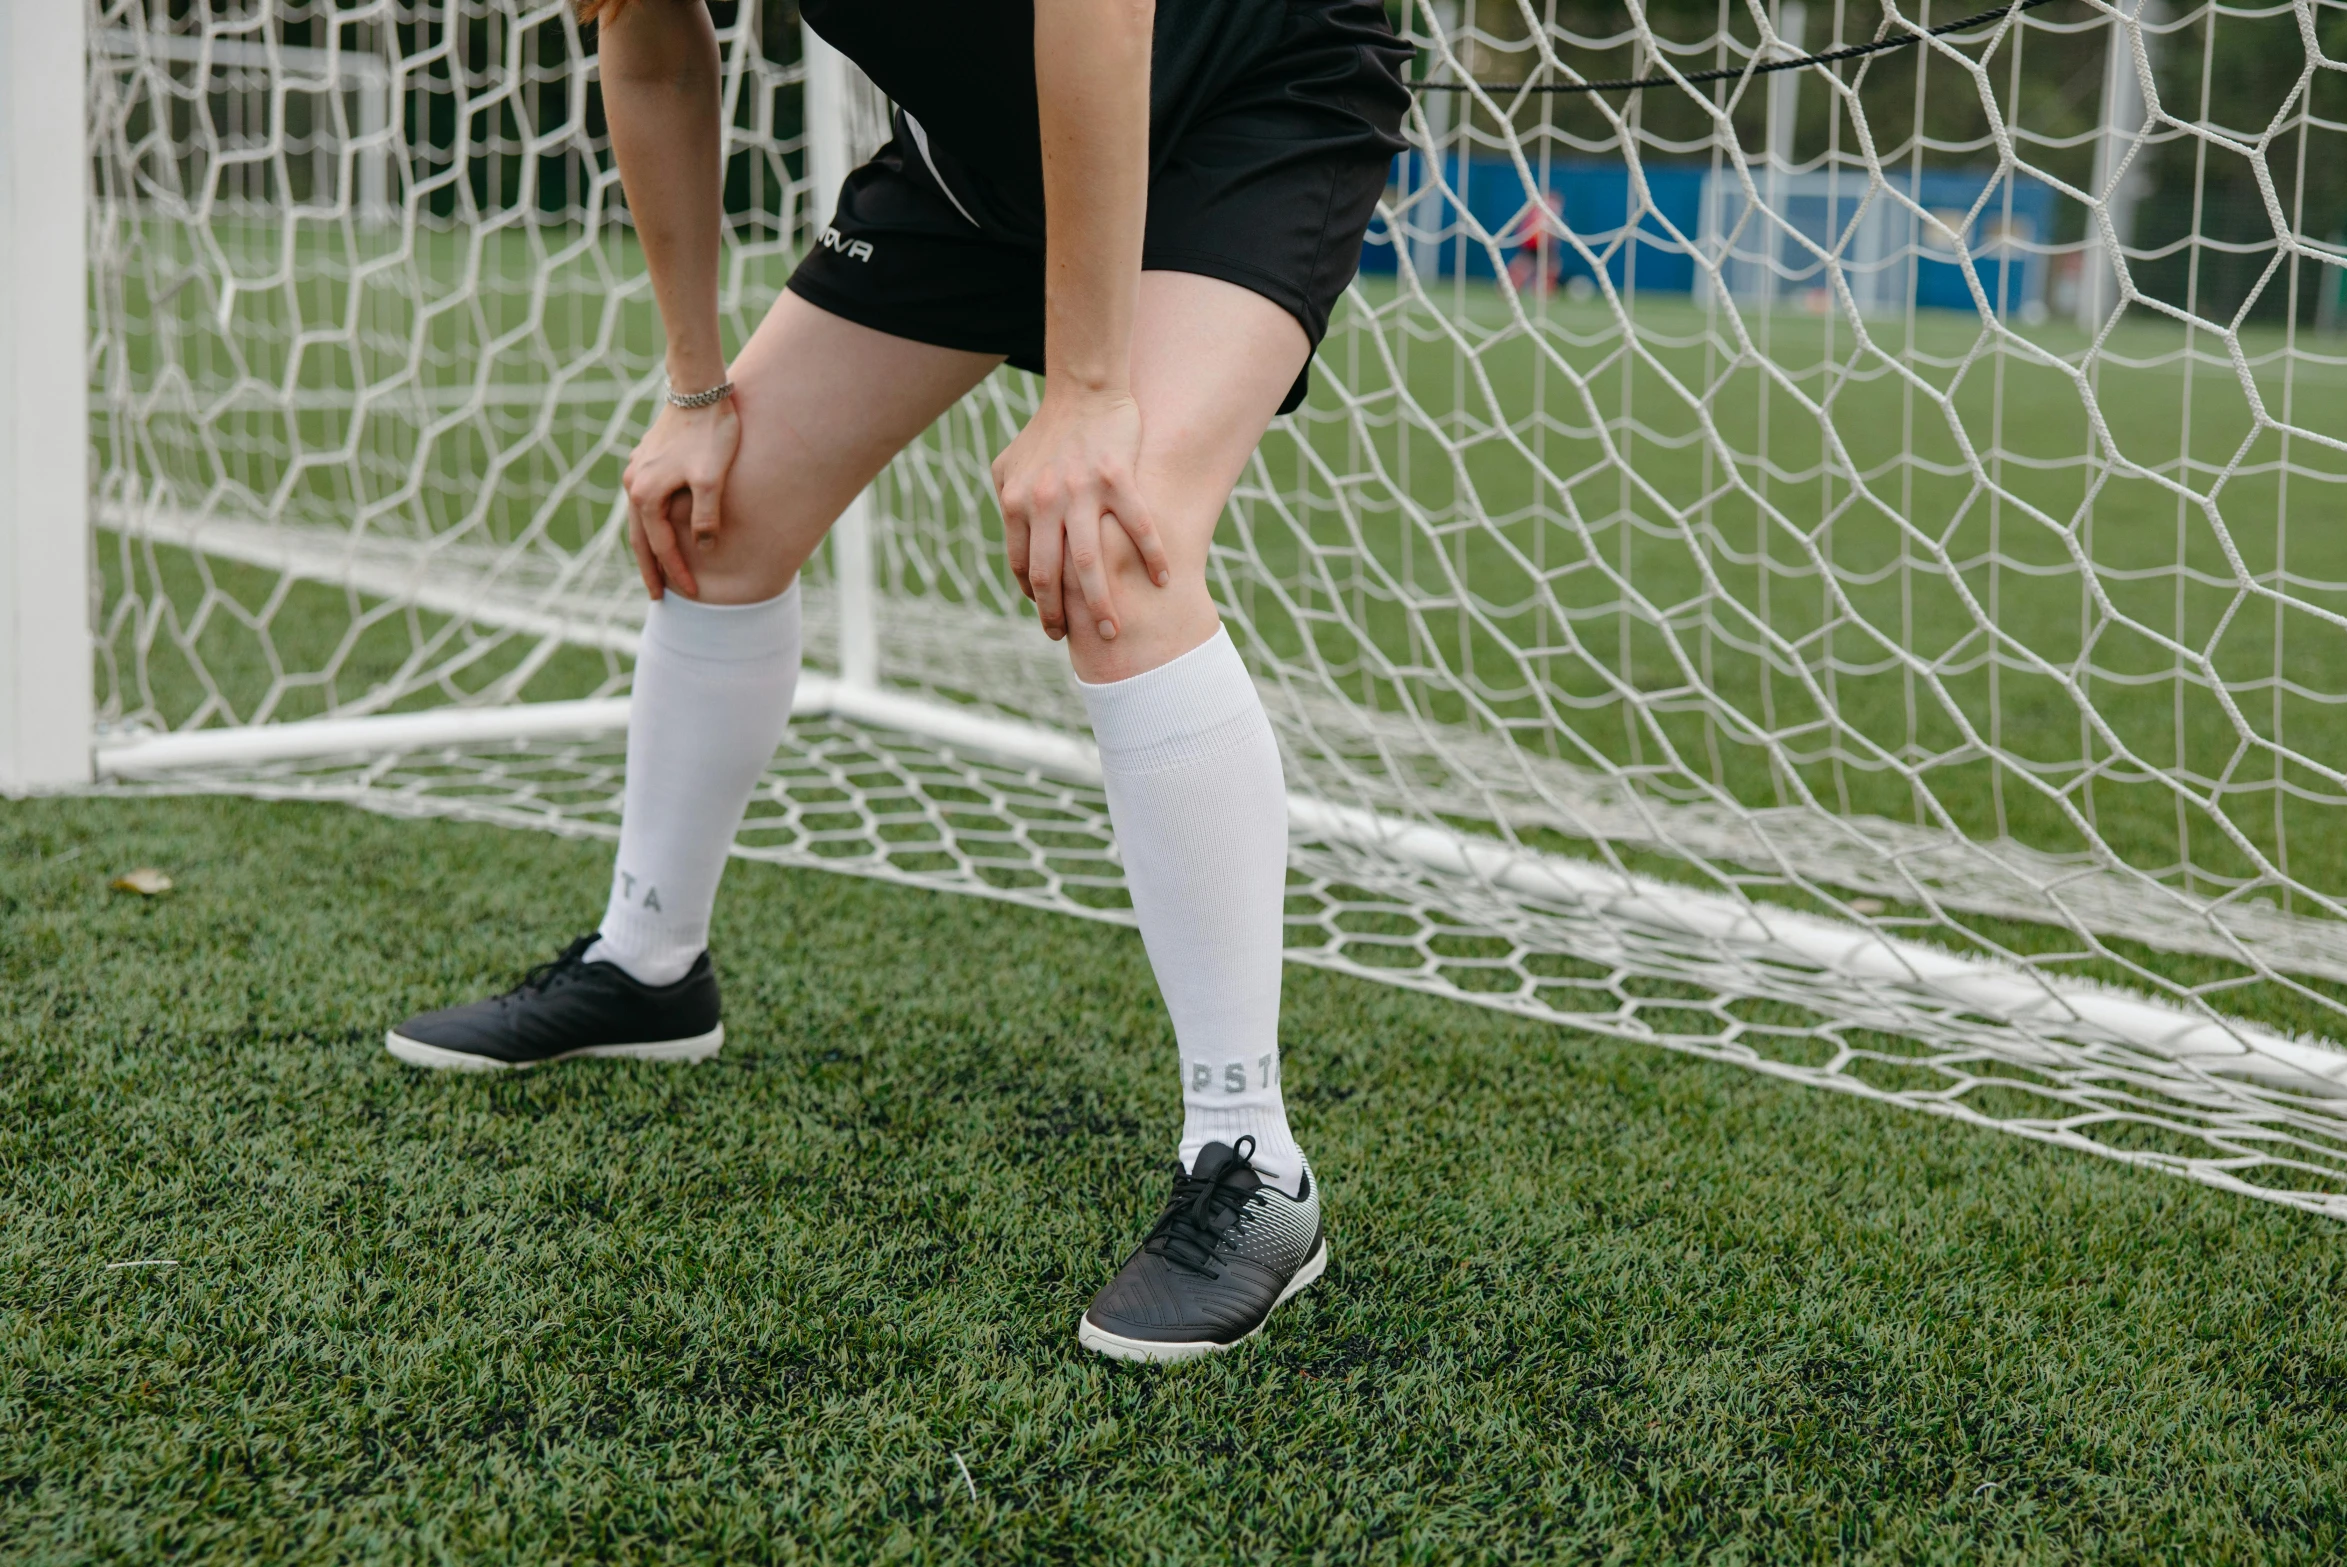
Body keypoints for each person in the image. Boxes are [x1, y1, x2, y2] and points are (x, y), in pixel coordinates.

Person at [383, 0, 1408, 1363]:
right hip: (986, 153)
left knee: (1111, 544)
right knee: (720, 509)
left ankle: (1251, 1157)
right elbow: (646, 38)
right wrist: (696, 392)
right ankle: (648, 962)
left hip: (1237, 105)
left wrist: (1091, 387)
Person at [1500, 188, 1566, 298]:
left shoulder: (1539, 208)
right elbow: (1548, 229)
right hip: (1536, 243)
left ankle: (1516, 287)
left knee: (1540, 267)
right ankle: (1540, 290)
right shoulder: (1550, 208)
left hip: (1532, 242)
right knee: (1530, 267)